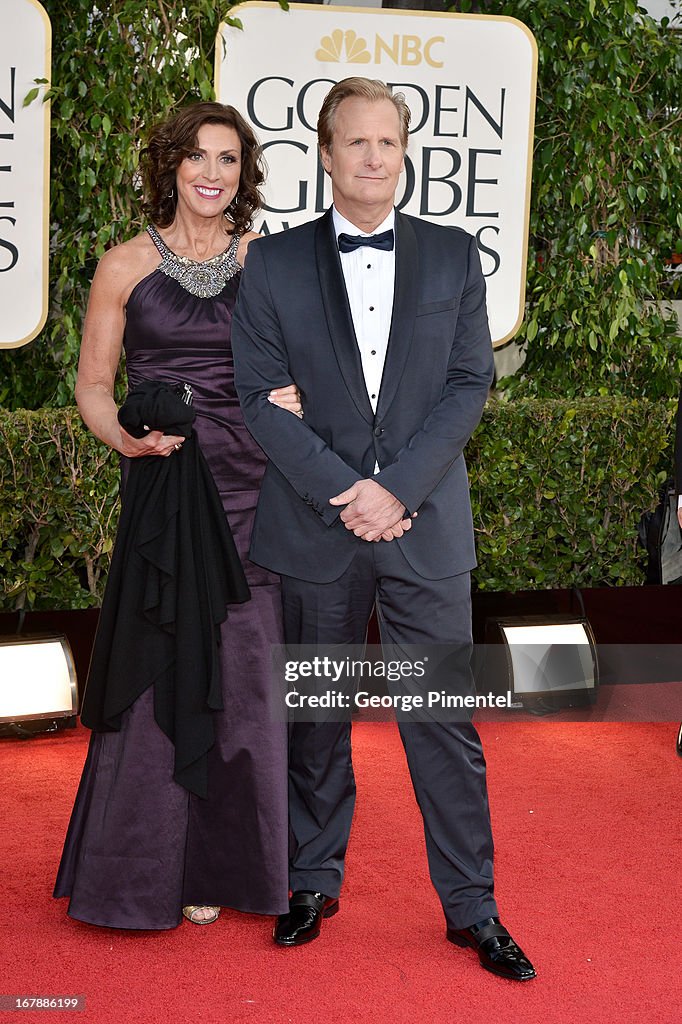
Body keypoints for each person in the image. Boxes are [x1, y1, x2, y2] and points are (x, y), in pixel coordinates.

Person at [232, 78, 536, 980]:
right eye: (355, 143)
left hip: (425, 525)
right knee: (317, 717)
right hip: (317, 527)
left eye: (388, 144)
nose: (373, 159)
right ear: (325, 154)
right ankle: (310, 881)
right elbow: (259, 397)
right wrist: (347, 491)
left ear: (406, 155)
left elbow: (468, 384)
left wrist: (395, 490)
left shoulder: (452, 257)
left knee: (440, 720)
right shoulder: (274, 265)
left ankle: (473, 908)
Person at [54, 101, 300, 930]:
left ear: (245, 173)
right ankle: (151, 868)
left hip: (256, 486)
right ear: (170, 166)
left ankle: (231, 865)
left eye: (228, 160)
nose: (211, 174)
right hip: (167, 484)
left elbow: (312, 366)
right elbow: (93, 386)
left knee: (245, 672)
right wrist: (122, 438)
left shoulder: (269, 262)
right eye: (197, 157)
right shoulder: (122, 266)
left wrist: (298, 395)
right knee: (164, 658)